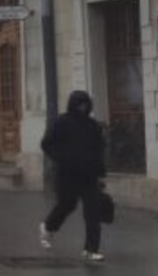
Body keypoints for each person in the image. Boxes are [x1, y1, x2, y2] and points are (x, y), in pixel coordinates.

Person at [40, 89, 109, 261]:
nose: (82, 107)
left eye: (85, 104)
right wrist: (62, 158)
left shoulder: (92, 126)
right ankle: (48, 227)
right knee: (66, 205)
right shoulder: (61, 122)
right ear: (73, 104)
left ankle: (91, 249)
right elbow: (47, 143)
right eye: (79, 104)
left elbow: (98, 150)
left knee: (92, 212)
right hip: (67, 174)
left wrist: (100, 174)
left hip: (89, 175)